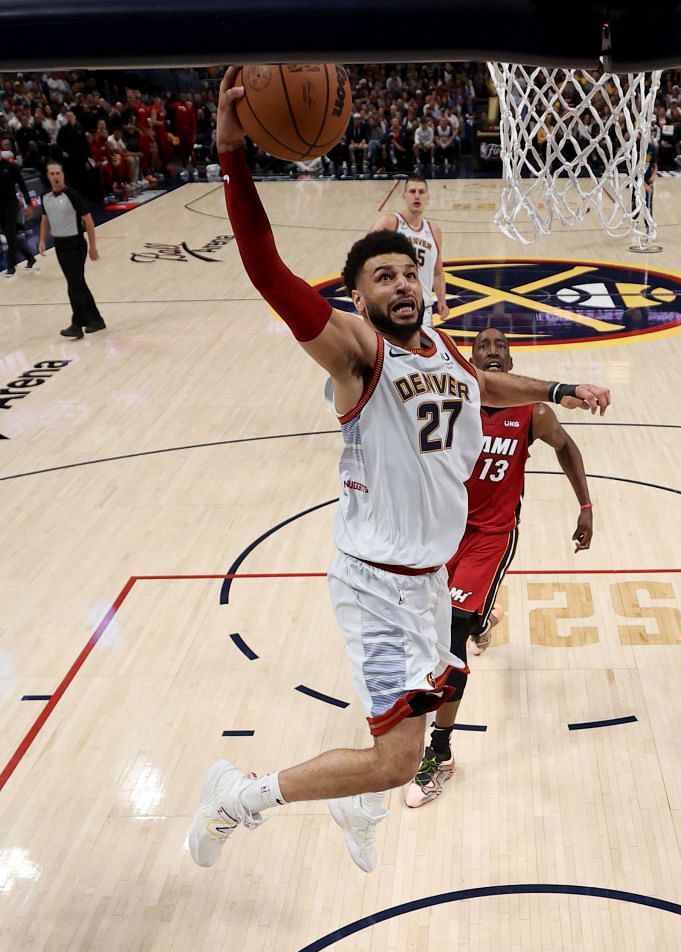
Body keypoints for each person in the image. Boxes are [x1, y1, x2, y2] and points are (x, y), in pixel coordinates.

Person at [184, 67, 611, 873]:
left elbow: (486, 384)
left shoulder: (445, 349)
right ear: (357, 297)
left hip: (426, 578)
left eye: (409, 273)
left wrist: (559, 387)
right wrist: (233, 154)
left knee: (441, 685)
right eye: (384, 277)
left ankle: (350, 800)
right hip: (378, 579)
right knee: (394, 759)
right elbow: (267, 272)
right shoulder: (356, 351)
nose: (403, 284)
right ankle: (237, 795)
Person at [405, 326, 595, 809]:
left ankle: (440, 752)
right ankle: (482, 614)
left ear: (511, 360)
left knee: (450, 637)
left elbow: (566, 446)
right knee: (429, 626)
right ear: (469, 358)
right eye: (483, 346)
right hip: (442, 533)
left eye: (500, 346)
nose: (492, 351)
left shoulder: (533, 412)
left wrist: (586, 506)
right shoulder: (449, 402)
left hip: (491, 537)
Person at [367, 176, 448, 321]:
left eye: (421, 192)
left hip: (424, 310)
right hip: (395, 307)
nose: (417, 196)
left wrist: (442, 300)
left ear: (428, 197)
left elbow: (437, 272)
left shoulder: (434, 230)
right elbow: (364, 257)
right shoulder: (389, 223)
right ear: (404, 196)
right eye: (412, 191)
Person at [38, 162, 104, 339]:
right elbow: (45, 219)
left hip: (75, 244)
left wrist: (93, 246)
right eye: (52, 173)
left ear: (63, 174)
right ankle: (96, 320)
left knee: (74, 285)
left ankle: (77, 324)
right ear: (48, 176)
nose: (55, 176)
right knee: (77, 284)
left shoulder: (72, 195)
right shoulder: (45, 196)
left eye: (58, 173)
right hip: (59, 245)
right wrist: (42, 240)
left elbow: (88, 221)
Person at [0, 143, 37, 276]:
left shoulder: (11, 166)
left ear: (0, 150)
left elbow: (22, 185)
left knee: (10, 234)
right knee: (10, 235)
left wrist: (29, 204)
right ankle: (30, 257)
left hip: (11, 204)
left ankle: (11, 266)